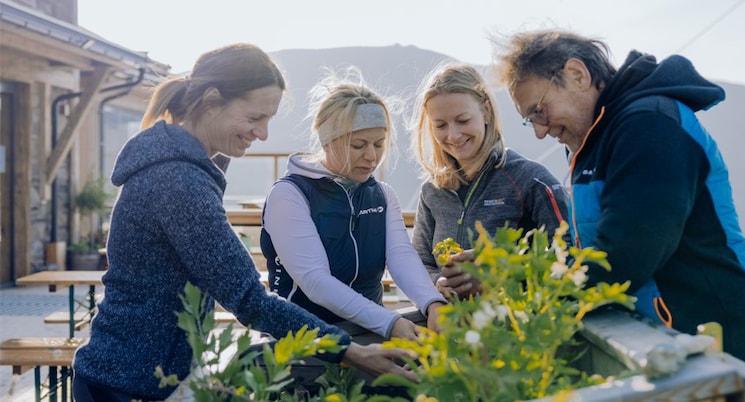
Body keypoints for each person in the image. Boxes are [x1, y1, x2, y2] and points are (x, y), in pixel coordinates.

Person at [71, 44, 416, 402]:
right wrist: (351, 352)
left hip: (137, 378)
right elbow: (249, 298)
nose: (263, 133)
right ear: (211, 100)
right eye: (254, 119)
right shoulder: (177, 181)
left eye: (268, 120)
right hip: (127, 386)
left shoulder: (188, 166)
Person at [494, 29, 745, 393]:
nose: (538, 131)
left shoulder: (650, 125)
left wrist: (542, 304)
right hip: (663, 353)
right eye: (529, 119)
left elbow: (628, 251)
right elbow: (588, 249)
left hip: (718, 356)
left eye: (538, 110)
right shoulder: (593, 141)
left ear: (577, 75)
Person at [260, 70, 447, 342]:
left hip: (365, 335)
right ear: (327, 140)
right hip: (301, 343)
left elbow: (400, 256)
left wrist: (432, 303)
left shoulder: (382, 195)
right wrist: (389, 323)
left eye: (379, 144)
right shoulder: (289, 195)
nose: (371, 156)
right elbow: (315, 282)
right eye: (358, 145)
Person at [410, 63, 569, 299]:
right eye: (440, 125)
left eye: (463, 120)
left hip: (518, 328)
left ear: (485, 111)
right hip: (452, 330)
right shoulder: (432, 190)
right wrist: (436, 284)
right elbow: (420, 261)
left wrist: (501, 270)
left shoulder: (531, 180)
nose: (453, 135)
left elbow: (569, 253)